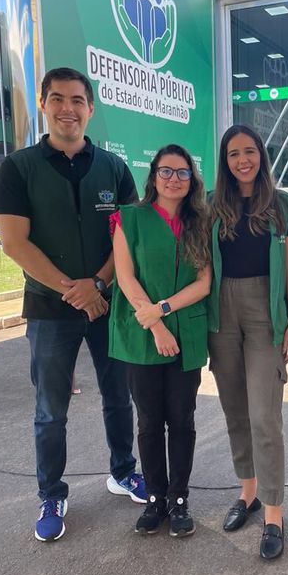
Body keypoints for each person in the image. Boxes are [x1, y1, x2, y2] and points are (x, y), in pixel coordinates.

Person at [0, 67, 146, 543]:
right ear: (43, 104)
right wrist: (72, 290)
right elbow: (15, 243)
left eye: (78, 100)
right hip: (49, 309)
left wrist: (97, 286)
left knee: (119, 396)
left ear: (90, 108)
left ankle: (123, 472)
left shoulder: (114, 168)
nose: (68, 109)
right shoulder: (18, 168)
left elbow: (128, 238)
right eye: (57, 98)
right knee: (50, 410)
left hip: (107, 306)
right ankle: (51, 494)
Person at [208, 124, 288, 560]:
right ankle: (247, 492)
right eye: (233, 154)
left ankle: (273, 511)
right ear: (225, 161)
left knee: (265, 414)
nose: (242, 160)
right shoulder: (211, 205)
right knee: (235, 408)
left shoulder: (284, 205)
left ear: (261, 155)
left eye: (249, 151)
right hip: (221, 310)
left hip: (266, 307)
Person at [110, 144, 211, 538]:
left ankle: (179, 498)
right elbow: (125, 277)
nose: (174, 179)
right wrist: (154, 324)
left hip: (187, 332)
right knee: (150, 421)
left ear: (192, 180)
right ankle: (155, 498)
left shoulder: (200, 222)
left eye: (182, 172)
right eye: (166, 171)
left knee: (182, 419)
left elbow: (204, 283)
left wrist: (164, 309)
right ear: (153, 176)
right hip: (142, 335)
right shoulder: (129, 218)